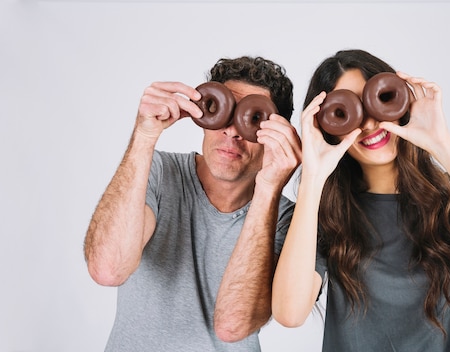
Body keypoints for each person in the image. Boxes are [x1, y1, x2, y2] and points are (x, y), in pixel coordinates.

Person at [271, 49, 450, 351]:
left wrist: (442, 143)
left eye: (379, 100)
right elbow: (290, 313)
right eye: (347, 113)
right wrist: (313, 175)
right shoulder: (324, 215)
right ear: (328, 129)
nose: (371, 124)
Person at [83, 56, 301, 352]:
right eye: (224, 113)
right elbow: (108, 269)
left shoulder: (289, 221)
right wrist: (145, 136)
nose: (233, 132)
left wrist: (269, 187)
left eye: (252, 119)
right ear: (205, 113)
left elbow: (233, 325)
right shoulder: (157, 172)